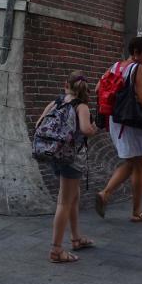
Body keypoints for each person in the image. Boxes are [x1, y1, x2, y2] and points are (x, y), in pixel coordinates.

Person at [95, 36, 142, 223]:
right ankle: (137, 211)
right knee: (140, 165)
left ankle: (106, 194)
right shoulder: (137, 68)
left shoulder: (115, 66)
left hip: (115, 121)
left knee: (133, 162)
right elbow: (140, 98)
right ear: (136, 53)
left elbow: (97, 88)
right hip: (132, 122)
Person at [34, 73, 99, 263]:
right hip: (72, 158)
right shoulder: (81, 106)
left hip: (54, 154)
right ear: (84, 90)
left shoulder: (57, 102)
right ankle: (56, 250)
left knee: (73, 196)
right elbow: (87, 130)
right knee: (64, 202)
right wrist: (95, 128)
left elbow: (39, 123)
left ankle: (76, 238)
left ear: (66, 85)